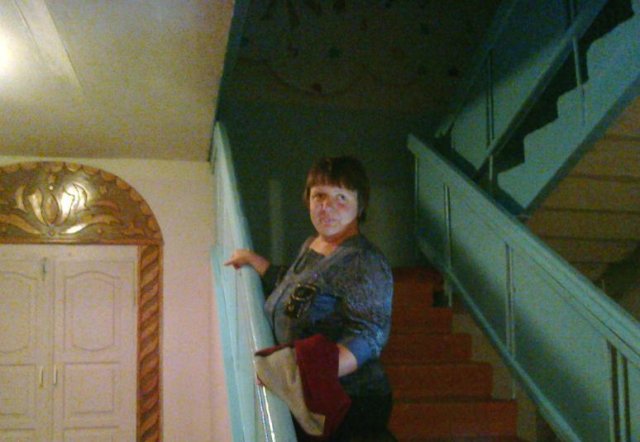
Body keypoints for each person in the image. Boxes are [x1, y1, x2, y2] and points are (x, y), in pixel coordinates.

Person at [225, 156, 394, 441]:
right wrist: (254, 261)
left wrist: (297, 374)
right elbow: (294, 288)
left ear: (360, 204)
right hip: (308, 396)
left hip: (348, 403)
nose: (327, 206)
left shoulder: (364, 261)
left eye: (341, 197)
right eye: (319, 196)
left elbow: (368, 336)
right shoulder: (312, 244)